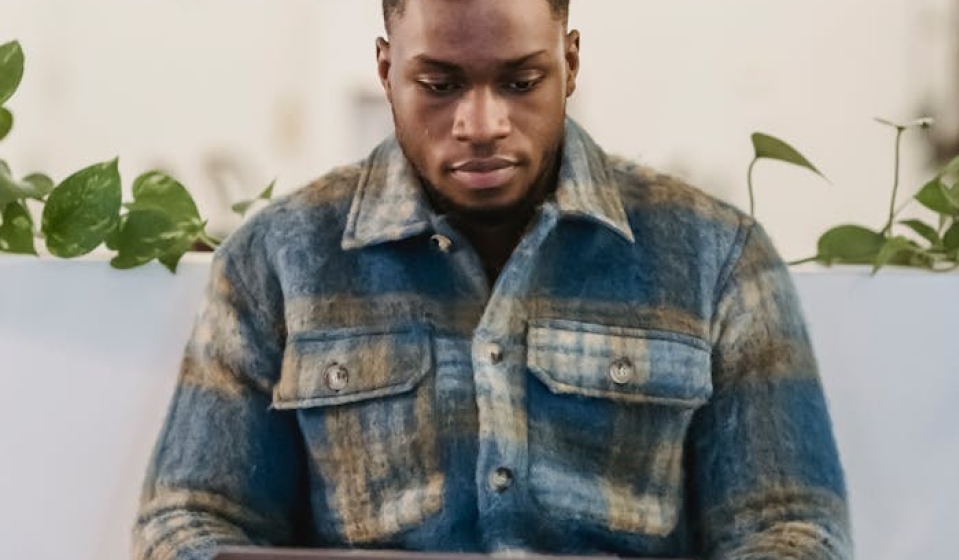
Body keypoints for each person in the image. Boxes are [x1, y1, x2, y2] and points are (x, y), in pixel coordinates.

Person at [133, 1, 853, 559]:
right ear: (386, 71)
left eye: (520, 81)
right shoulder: (277, 259)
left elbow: (792, 528)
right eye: (440, 85)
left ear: (571, 62)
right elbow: (188, 520)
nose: (481, 123)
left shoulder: (717, 257)